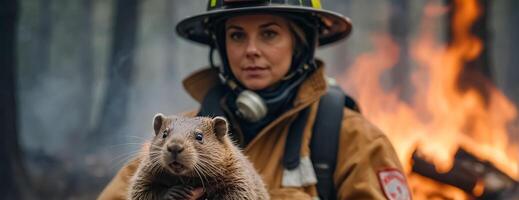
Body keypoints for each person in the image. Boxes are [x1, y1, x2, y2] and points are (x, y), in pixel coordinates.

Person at [98, 0, 411, 199]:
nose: (250, 50)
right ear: (220, 45)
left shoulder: (354, 140)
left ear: (301, 43)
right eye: (236, 35)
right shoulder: (178, 136)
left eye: (269, 33)